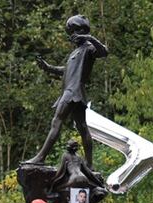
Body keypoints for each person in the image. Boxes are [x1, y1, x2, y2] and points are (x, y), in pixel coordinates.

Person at [24, 15, 108, 169]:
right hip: (71, 92)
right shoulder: (76, 52)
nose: (71, 37)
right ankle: (89, 165)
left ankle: (40, 157)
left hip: (72, 92)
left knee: (57, 122)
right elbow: (67, 71)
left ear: (81, 31)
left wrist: (89, 37)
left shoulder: (88, 48)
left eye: (73, 33)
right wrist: (48, 68)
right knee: (82, 127)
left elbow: (104, 52)